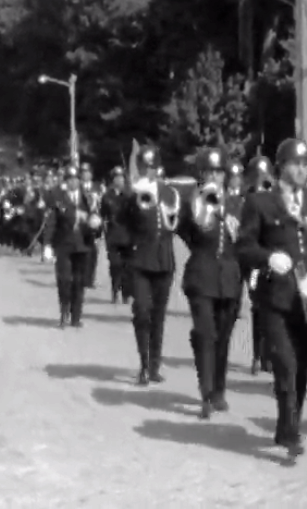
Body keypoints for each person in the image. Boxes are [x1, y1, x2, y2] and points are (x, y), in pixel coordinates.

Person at [237, 138, 307, 459]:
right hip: (275, 299)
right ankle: (292, 431)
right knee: (284, 364)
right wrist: (268, 256)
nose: (303, 169)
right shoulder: (260, 203)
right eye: (296, 163)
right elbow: (243, 247)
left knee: (299, 368)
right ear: (281, 166)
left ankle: (287, 424)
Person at [177, 147, 243, 419]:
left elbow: (249, 240)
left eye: (219, 171)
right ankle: (205, 392)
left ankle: (219, 389)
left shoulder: (237, 203)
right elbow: (182, 230)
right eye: (210, 171)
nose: (215, 176)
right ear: (201, 174)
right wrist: (200, 215)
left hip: (229, 278)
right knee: (206, 333)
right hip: (201, 276)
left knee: (223, 337)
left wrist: (237, 230)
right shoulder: (192, 201)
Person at [123, 145, 181, 386]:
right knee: (142, 311)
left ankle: (154, 365)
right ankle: (144, 363)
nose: (149, 171)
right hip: (140, 261)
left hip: (164, 261)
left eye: (153, 166)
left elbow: (176, 224)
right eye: (145, 167)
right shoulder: (133, 194)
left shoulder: (170, 193)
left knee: (158, 316)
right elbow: (122, 225)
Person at [42, 165, 100, 328]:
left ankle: (76, 316)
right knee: (64, 281)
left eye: (75, 179)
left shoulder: (87, 199)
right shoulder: (58, 199)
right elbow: (51, 223)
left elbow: (96, 221)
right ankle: (64, 313)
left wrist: (95, 224)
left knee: (79, 282)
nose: (73, 182)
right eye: (70, 179)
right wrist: (47, 245)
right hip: (63, 246)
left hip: (82, 246)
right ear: (66, 182)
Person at [242, 155, 275, 376]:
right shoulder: (248, 201)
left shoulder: (275, 199)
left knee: (272, 308)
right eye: (258, 178)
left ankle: (268, 356)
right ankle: (256, 355)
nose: (262, 181)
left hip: (272, 258)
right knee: (257, 308)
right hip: (254, 261)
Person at [100, 166, 133, 304]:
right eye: (116, 177)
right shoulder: (107, 196)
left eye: (121, 177)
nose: (119, 180)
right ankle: (115, 289)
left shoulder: (130, 196)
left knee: (127, 266)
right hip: (113, 235)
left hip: (128, 235)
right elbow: (102, 215)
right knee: (115, 265)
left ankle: (126, 293)